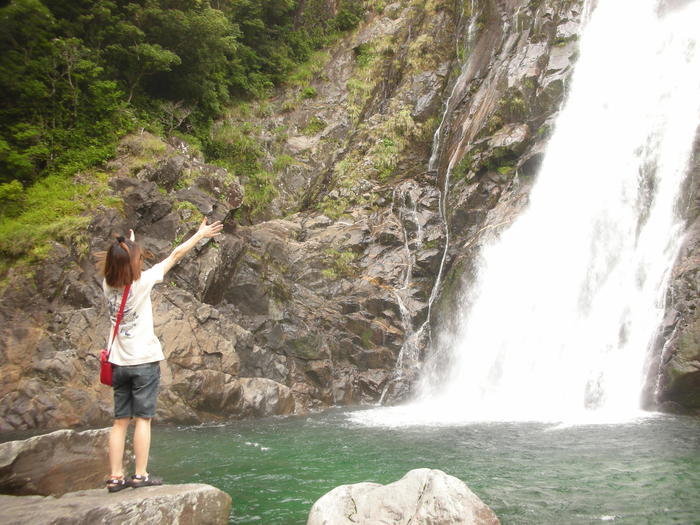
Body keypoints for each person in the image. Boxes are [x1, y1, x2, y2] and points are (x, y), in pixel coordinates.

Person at [100, 217, 223, 492]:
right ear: (133, 263)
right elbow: (176, 255)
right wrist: (199, 235)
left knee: (120, 422)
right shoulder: (142, 282)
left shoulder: (107, 286)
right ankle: (140, 475)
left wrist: (127, 244)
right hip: (143, 362)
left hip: (118, 363)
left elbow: (118, 259)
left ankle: (115, 477)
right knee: (143, 419)